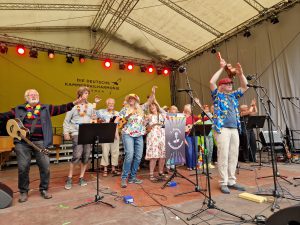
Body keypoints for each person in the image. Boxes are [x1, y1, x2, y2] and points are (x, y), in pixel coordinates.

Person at [0, 89, 79, 202]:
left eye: (36, 94)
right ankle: (23, 191)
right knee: (23, 167)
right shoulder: (18, 109)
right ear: (26, 97)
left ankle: (44, 189)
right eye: (31, 94)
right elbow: (4, 116)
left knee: (45, 167)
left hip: (41, 142)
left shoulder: (45, 108)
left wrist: (74, 103)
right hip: (22, 142)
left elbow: (61, 108)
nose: (34, 96)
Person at [210, 52, 248, 194]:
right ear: (221, 86)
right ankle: (223, 182)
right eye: (227, 83)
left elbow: (245, 86)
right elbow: (211, 82)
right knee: (223, 155)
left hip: (234, 128)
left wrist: (240, 74)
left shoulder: (233, 95)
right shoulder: (217, 95)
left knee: (233, 154)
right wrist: (221, 68)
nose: (230, 85)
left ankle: (232, 180)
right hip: (222, 129)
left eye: (231, 83)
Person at [118, 87, 156, 188]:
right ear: (128, 100)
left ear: (136, 100)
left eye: (133, 98)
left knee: (138, 156)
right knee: (129, 154)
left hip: (139, 135)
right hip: (128, 134)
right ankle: (124, 178)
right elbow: (118, 121)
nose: (131, 100)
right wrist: (124, 118)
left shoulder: (141, 108)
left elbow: (150, 101)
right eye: (129, 98)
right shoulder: (124, 109)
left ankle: (132, 177)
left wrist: (152, 93)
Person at [63, 87, 95, 190]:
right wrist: (66, 132)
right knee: (76, 155)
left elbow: (93, 118)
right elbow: (67, 120)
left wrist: (94, 118)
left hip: (88, 133)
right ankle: (69, 177)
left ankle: (81, 177)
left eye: (87, 93)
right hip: (76, 132)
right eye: (84, 93)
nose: (86, 95)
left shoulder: (90, 106)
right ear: (79, 94)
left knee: (86, 156)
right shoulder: (73, 106)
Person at [96, 98, 120, 177]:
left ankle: (113, 168)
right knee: (105, 151)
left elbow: (117, 124)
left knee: (115, 152)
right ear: (107, 104)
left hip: (114, 134)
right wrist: (95, 103)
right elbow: (93, 114)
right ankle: (105, 168)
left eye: (112, 103)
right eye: (109, 103)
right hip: (105, 134)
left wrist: (117, 134)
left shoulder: (117, 113)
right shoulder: (101, 112)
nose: (111, 104)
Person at [145, 101, 166, 181]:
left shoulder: (162, 115)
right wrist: (147, 122)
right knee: (154, 156)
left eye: (153, 105)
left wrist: (156, 102)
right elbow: (143, 126)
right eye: (150, 106)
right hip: (153, 136)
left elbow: (166, 114)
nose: (152, 107)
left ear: (157, 106)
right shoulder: (149, 116)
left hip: (162, 136)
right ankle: (151, 174)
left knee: (162, 155)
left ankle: (160, 172)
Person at [183, 104, 200, 170]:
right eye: (187, 109)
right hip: (187, 135)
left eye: (189, 109)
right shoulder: (183, 117)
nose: (188, 110)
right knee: (189, 150)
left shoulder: (193, 116)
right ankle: (189, 165)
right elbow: (180, 126)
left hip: (194, 134)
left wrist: (197, 122)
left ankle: (195, 165)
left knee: (195, 150)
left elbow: (202, 118)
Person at [198, 104, 215, 169]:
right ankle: (204, 163)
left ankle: (209, 163)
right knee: (205, 149)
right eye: (205, 108)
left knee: (211, 149)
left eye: (208, 108)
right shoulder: (201, 116)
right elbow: (199, 121)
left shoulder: (211, 115)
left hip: (210, 135)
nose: (207, 109)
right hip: (204, 135)